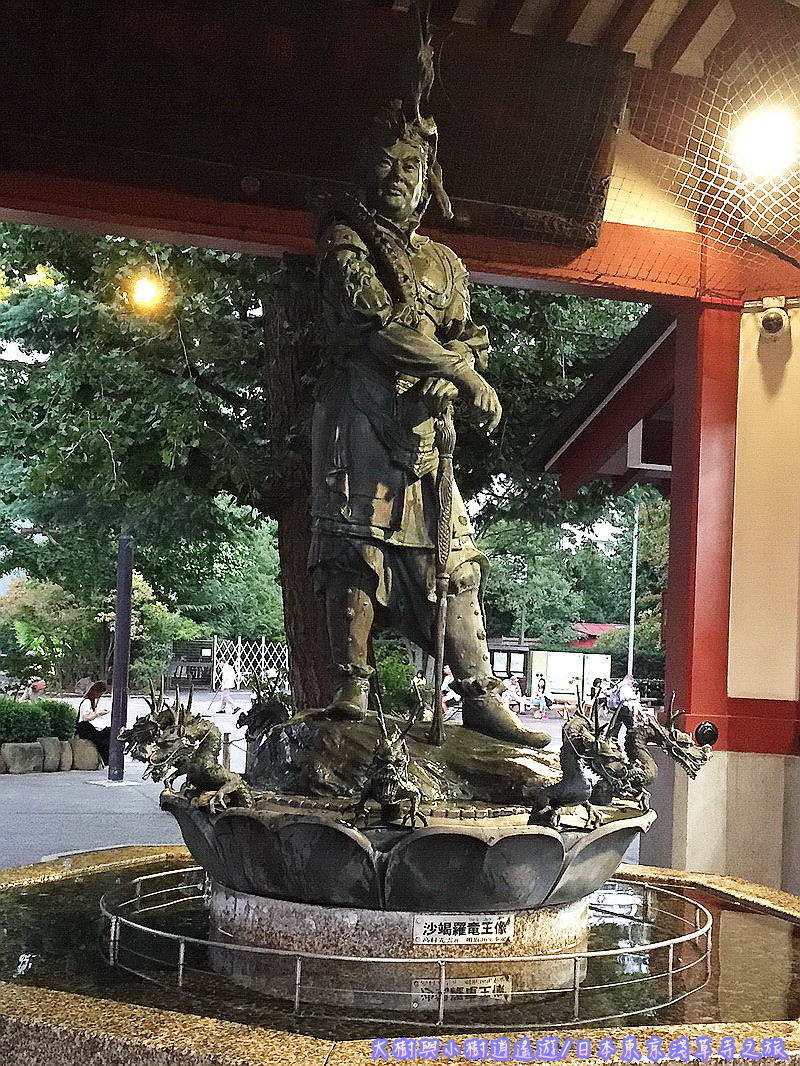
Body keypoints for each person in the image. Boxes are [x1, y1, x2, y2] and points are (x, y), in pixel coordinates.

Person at [309, 98, 544, 748]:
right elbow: (380, 329)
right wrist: (463, 373)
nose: (396, 176)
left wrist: (456, 366)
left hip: (426, 428)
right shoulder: (345, 241)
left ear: (427, 175)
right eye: (384, 163)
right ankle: (349, 681)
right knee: (355, 549)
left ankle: (479, 694)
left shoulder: (445, 262)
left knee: (455, 559)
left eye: (410, 164)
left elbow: (470, 335)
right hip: (358, 418)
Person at [76, 698, 111, 765]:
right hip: (86, 729)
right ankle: (107, 761)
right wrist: (98, 713)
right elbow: (86, 718)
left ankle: (107, 760)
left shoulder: (92, 702)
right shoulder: (87, 701)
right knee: (105, 738)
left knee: (107, 734)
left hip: (91, 728)